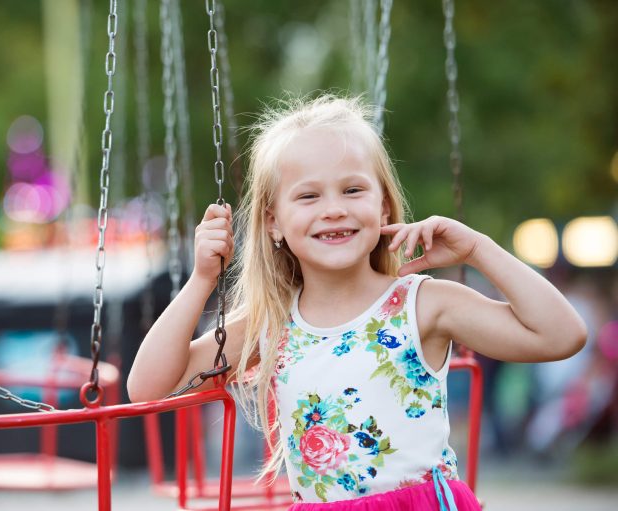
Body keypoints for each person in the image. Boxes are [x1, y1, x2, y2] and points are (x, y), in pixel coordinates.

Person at [127, 95, 587, 510]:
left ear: (384, 207)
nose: (334, 209)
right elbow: (147, 386)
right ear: (274, 224)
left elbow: (562, 335)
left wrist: (478, 249)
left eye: (352, 190)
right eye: (308, 196)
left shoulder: (422, 304)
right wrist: (202, 279)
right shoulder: (269, 325)